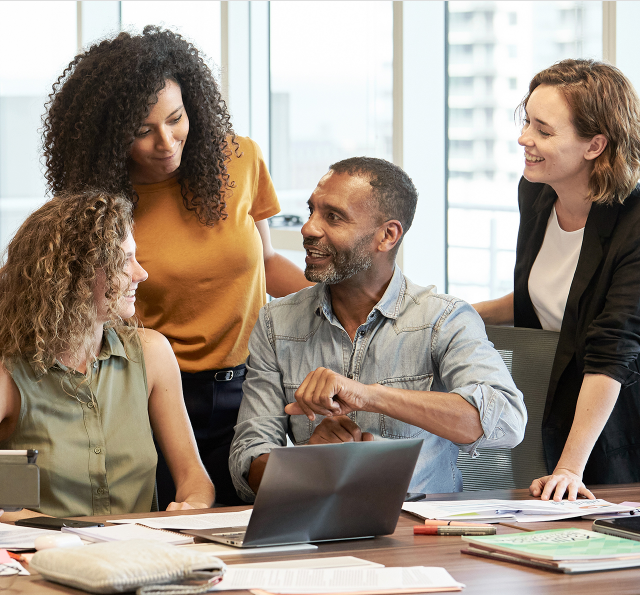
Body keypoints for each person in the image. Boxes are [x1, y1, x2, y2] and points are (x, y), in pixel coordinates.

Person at [41, 26, 311, 506]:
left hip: (248, 391)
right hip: (148, 397)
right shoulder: (99, 207)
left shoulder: (240, 160)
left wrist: (347, 304)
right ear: (109, 135)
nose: (165, 142)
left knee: (250, 534)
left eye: (175, 118)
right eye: (142, 131)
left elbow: (266, 263)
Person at [229, 157, 526, 501]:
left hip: (422, 530)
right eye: (312, 211)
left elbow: (505, 422)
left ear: (387, 235)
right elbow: (247, 460)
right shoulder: (275, 324)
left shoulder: (444, 319)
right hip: (318, 526)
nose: (308, 228)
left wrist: (370, 396)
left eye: (333, 217)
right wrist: (309, 461)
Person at [473, 59, 640, 501]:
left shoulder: (635, 221)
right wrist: (463, 313)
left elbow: (613, 346)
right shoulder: (537, 190)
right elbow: (553, 295)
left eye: (543, 131)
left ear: (594, 145)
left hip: (618, 415)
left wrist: (569, 467)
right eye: (527, 121)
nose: (524, 138)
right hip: (553, 398)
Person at [0, 190, 214, 520]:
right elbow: (7, 506)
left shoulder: (152, 353)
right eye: (123, 261)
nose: (140, 274)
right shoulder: (9, 374)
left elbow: (194, 478)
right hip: (46, 557)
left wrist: (192, 506)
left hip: (141, 556)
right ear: (74, 275)